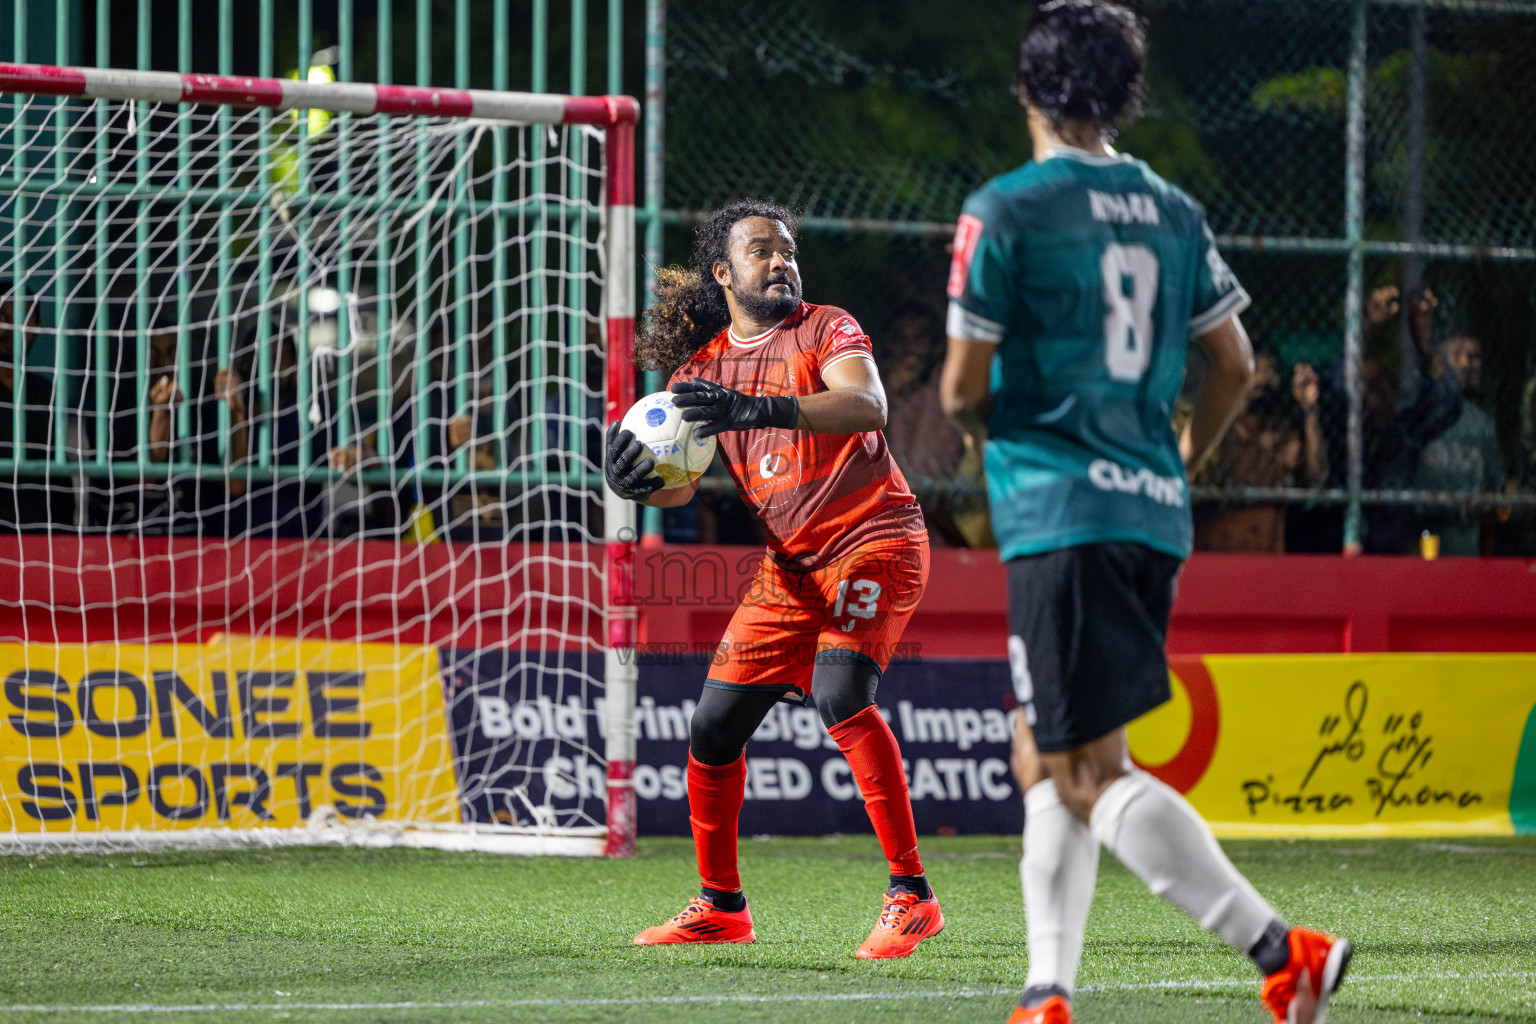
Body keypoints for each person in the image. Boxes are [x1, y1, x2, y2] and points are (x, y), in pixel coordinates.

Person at [938, 4, 1350, 1022]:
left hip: (1059, 509)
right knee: (1049, 749)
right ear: (1126, 95)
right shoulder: (1174, 209)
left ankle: (1281, 948)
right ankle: (1047, 991)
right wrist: (1175, 458)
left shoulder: (1007, 208)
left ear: (1028, 91)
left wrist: (1002, 429)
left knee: (1082, 769)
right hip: (1146, 512)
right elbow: (1235, 363)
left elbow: (955, 392)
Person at [607, 199, 943, 959]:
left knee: (839, 691)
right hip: (791, 570)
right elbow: (680, 488)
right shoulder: (698, 373)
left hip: (875, 539)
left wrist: (757, 405)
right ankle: (722, 907)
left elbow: (868, 404)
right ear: (724, 272)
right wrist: (633, 479)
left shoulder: (827, 326)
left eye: (788, 251)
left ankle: (911, 895)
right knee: (712, 727)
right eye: (761, 251)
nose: (781, 262)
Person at [1192, 343, 1327, 551]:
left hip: (1263, 553)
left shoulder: (1279, 433)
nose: (1263, 378)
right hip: (1214, 550)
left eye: (1270, 371)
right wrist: (1243, 387)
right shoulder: (1217, 426)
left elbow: (1317, 473)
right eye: (1256, 369)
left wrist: (1310, 409)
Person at [1410, 330, 1505, 555]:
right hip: (1421, 534)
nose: (1466, 364)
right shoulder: (1418, 412)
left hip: (1465, 542)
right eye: (1457, 355)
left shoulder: (1483, 423)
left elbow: (1493, 490)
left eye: (1474, 357)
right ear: (1439, 363)